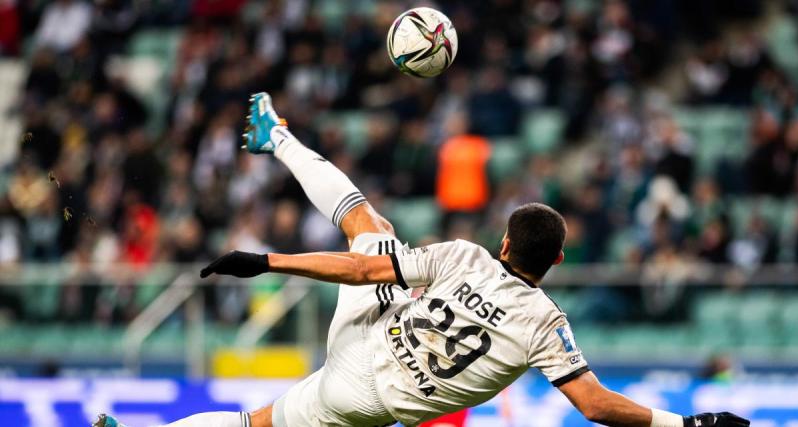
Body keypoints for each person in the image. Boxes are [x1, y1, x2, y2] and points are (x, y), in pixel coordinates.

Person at [94, 93, 749, 427]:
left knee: (368, 227)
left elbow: (362, 270)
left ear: (503, 244)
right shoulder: (546, 325)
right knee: (255, 423)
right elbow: (596, 404)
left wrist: (267, 260)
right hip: (369, 404)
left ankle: (279, 139)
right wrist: (684, 423)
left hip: (360, 354)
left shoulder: (464, 255)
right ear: (558, 260)